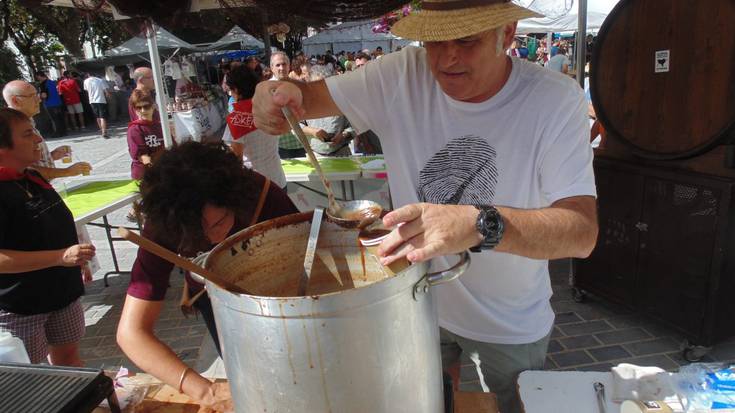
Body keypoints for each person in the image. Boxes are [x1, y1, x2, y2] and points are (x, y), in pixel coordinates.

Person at [251, 1, 598, 412]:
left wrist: (477, 223)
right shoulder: (401, 73)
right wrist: (274, 93)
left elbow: (581, 232)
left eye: (467, 39)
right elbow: (309, 97)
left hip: (509, 320)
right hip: (416, 303)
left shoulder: (554, 100)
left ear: (506, 34)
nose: (447, 57)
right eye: (434, 39)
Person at [116, 141, 298, 412]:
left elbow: (311, 268)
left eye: (220, 222)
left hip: (286, 298)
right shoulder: (165, 223)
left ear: (233, 203)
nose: (214, 238)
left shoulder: (259, 195)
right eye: (197, 232)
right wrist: (204, 390)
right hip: (215, 302)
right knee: (245, 380)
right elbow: (131, 333)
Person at [0, 108, 96, 365]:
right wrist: (60, 256)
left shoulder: (31, 178)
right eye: (28, 134)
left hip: (62, 293)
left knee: (68, 357)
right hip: (20, 305)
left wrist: (77, 258)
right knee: (32, 374)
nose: (39, 140)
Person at [3, 80, 92, 181]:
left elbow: (28, 160)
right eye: (32, 96)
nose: (39, 100)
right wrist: (66, 172)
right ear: (15, 100)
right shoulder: (12, 127)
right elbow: (24, 168)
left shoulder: (26, 121)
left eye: (37, 94)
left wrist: (50, 156)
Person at [222, 65, 287, 188]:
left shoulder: (237, 119)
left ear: (236, 89)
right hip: (278, 180)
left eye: (231, 90)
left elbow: (236, 160)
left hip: (256, 186)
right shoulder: (271, 108)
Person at [270, 52, 304, 159]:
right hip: (279, 144)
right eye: (278, 65)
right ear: (271, 68)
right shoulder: (266, 89)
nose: (282, 68)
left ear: (289, 66)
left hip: (302, 142)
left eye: (284, 64)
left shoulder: (298, 86)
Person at [126, 90, 165, 181]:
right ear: (135, 110)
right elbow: (142, 156)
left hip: (163, 170)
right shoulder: (134, 129)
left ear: (153, 107)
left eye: (146, 106)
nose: (143, 110)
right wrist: (157, 169)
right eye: (138, 108)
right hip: (145, 175)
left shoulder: (160, 126)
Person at [34, 71, 66, 138]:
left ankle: (57, 133)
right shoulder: (51, 82)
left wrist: (38, 96)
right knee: (60, 118)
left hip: (50, 103)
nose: (37, 79)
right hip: (58, 102)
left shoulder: (43, 84)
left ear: (39, 76)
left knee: (54, 119)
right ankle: (63, 132)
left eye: (37, 77)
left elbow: (44, 95)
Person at [83, 72, 111, 138]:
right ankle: (104, 132)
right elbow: (106, 91)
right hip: (101, 100)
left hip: (92, 101)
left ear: (88, 74)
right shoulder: (100, 80)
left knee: (97, 116)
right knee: (102, 117)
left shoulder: (85, 81)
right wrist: (108, 95)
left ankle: (101, 130)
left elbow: (86, 90)